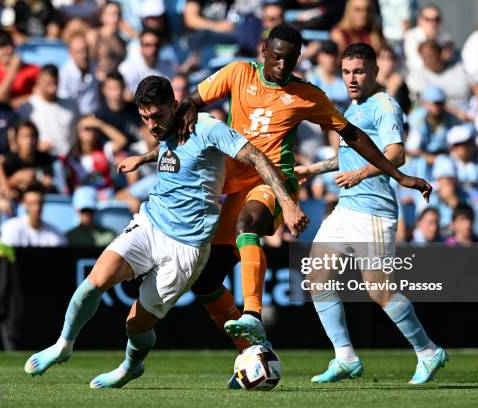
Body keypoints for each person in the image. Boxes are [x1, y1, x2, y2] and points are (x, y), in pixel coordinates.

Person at [23, 75, 307, 389]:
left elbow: (256, 157)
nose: (152, 125)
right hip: (149, 224)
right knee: (95, 281)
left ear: (174, 106)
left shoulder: (207, 128)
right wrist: (142, 158)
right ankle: (63, 344)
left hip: (187, 248)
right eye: (145, 118)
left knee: (135, 325)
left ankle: (131, 366)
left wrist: (287, 204)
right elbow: (167, 150)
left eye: (157, 116)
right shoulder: (166, 129)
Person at [176, 26, 431, 361]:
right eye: (277, 57)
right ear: (264, 50)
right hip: (233, 185)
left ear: (298, 59)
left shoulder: (306, 94)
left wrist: (398, 175)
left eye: (290, 59)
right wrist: (189, 107)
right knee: (206, 281)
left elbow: (352, 136)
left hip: (275, 182)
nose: (282, 65)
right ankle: (255, 352)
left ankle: (253, 315)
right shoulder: (238, 73)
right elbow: (193, 99)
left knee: (248, 225)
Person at [293, 43, 443, 385]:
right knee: (316, 275)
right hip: (348, 208)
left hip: (373, 213)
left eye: (358, 71)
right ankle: (345, 357)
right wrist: (312, 169)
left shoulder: (384, 105)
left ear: (375, 71)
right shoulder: (353, 107)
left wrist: (360, 175)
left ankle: (428, 351)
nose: (351, 78)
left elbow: (396, 154)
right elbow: (350, 158)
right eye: (346, 72)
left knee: (379, 290)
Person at [18, 65, 79, 157]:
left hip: (69, 159)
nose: (53, 88)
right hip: (42, 160)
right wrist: (36, 145)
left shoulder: (71, 105)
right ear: (39, 81)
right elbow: (20, 137)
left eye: (55, 83)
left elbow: (79, 131)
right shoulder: (28, 107)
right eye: (49, 83)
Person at [64, 115, 128, 198]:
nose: (91, 132)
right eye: (87, 129)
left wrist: (101, 124)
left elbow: (122, 141)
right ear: (78, 131)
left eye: (94, 129)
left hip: (106, 193)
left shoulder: (105, 148)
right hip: (83, 195)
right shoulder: (71, 155)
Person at [406, 40, 473, 118]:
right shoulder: (416, 77)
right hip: (441, 118)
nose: (428, 60)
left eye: (431, 55)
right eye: (424, 57)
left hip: (468, 111)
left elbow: (477, 89)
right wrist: (457, 113)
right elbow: (428, 104)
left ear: (440, 54)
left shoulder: (458, 68)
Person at [405, 85, 460, 164]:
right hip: (419, 160)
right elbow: (412, 149)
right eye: (435, 103)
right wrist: (434, 159)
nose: (438, 106)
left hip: (445, 158)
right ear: (425, 103)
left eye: (441, 103)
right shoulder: (416, 119)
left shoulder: (451, 119)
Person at [0, 184, 67, 247]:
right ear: (24, 204)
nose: (37, 207)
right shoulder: (11, 227)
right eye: (32, 203)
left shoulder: (55, 233)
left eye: (40, 203)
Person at [118, 29, 177, 96]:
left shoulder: (169, 68)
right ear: (141, 47)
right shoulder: (126, 69)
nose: (153, 49)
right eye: (147, 45)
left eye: (156, 45)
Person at [3, 120, 56, 194]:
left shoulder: (45, 159)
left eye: (32, 136)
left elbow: (48, 182)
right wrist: (15, 179)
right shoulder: (9, 160)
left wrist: (32, 182)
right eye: (24, 137)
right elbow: (0, 187)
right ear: (16, 139)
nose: (29, 141)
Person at [0, 29, 39, 109]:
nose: (4, 52)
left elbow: (41, 95)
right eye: (0, 48)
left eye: (7, 46)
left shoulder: (33, 69)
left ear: (14, 46)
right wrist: (13, 69)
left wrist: (19, 101)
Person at [58, 33, 101, 116]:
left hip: (95, 115)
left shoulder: (95, 66)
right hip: (73, 117)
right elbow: (64, 102)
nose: (84, 55)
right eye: (79, 52)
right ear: (70, 53)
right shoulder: (63, 74)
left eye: (86, 50)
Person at [95, 71, 141, 145]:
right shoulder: (99, 115)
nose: (117, 92)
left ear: (124, 87)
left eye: (120, 87)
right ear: (104, 90)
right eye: (112, 88)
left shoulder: (135, 108)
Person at [403, 4, 451, 71]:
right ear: (419, 21)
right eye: (428, 19)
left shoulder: (445, 37)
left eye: (436, 19)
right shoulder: (411, 36)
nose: (433, 23)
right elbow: (416, 64)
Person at [306, 40, 350, 112]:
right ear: (318, 57)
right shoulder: (310, 76)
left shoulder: (345, 77)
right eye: (326, 55)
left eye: (333, 55)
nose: (330, 59)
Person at [376, 45, 410, 113]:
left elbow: (405, 108)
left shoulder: (400, 84)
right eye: (384, 59)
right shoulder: (368, 83)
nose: (388, 63)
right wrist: (390, 91)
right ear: (377, 60)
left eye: (391, 59)